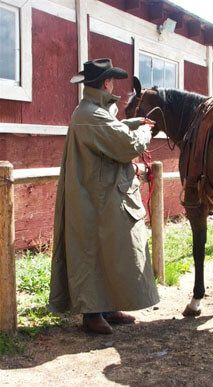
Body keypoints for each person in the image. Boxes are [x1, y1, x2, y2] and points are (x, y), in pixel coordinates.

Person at [49, 58, 160, 334]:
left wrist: (132, 121)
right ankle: (91, 314)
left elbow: (113, 129)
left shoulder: (93, 110)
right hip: (94, 198)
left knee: (108, 250)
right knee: (90, 251)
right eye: (111, 80)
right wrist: (144, 131)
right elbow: (125, 145)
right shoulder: (91, 114)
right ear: (106, 83)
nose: (113, 84)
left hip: (99, 195)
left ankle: (107, 307)